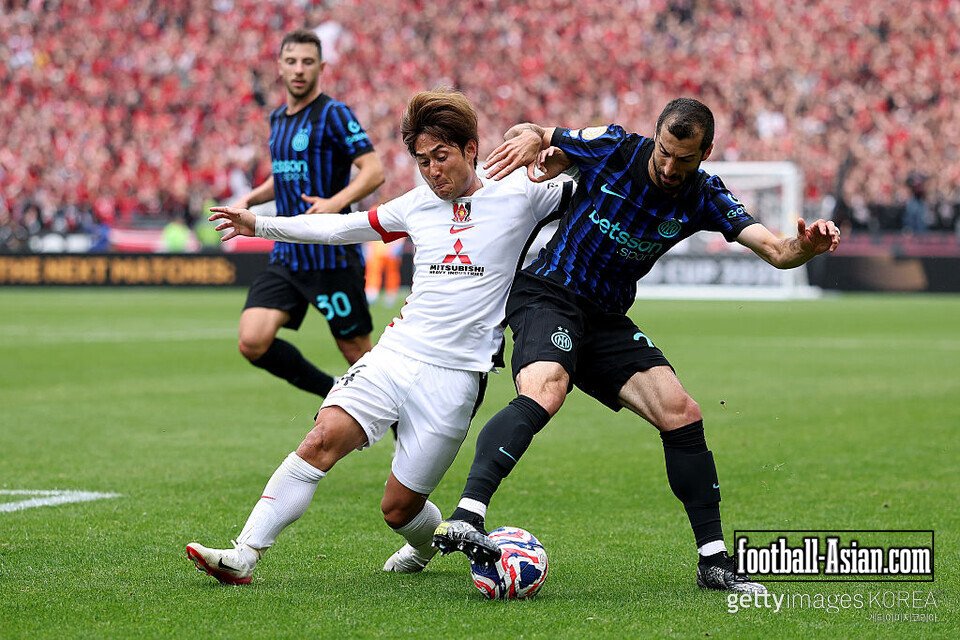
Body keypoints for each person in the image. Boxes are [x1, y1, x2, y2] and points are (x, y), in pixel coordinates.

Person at [433, 98, 840, 594]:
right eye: (665, 152)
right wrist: (531, 137)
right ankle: (468, 515)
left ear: (705, 151)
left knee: (681, 411)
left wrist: (808, 246)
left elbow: (778, 251)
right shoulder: (617, 148)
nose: (670, 167)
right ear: (656, 136)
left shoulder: (705, 197)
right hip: (548, 293)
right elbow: (544, 133)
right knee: (547, 390)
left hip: (605, 318)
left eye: (684, 159)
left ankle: (713, 561)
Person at [185, 88, 573, 584]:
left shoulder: (522, 195)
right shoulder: (414, 206)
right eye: (423, 161)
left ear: (471, 149)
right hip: (395, 354)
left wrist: (554, 146)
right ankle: (245, 553)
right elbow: (338, 230)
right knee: (321, 439)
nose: (433, 171)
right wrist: (258, 224)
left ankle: (423, 547)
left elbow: (602, 180)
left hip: (457, 378)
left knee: (399, 509)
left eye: (442, 156)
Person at [231, 28, 385, 400]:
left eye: (307, 62)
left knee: (359, 356)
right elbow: (283, 174)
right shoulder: (278, 119)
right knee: (252, 341)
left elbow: (373, 170)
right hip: (287, 254)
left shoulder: (334, 113)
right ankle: (332, 391)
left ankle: (402, 430)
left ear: (321, 67)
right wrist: (249, 199)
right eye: (292, 61)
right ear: (280, 67)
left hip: (330, 255)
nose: (299, 69)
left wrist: (334, 203)